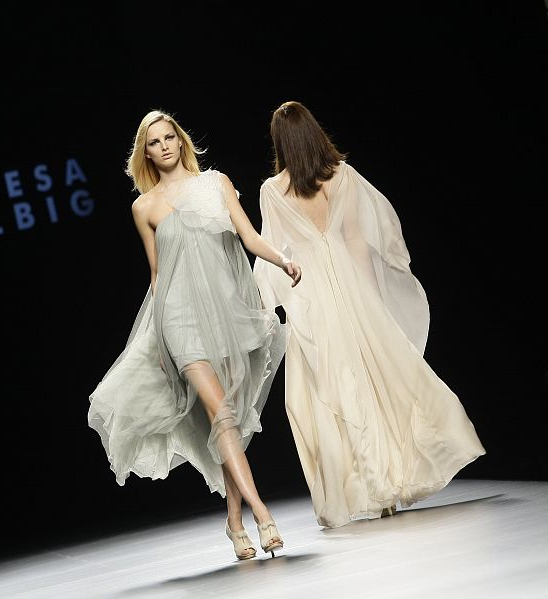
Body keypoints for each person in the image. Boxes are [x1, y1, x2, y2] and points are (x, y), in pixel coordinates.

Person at [252, 100, 486, 528]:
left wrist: (273, 304)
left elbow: (276, 253)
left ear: (280, 143)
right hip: (351, 286)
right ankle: (388, 484)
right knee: (377, 379)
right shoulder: (340, 175)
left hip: (313, 296)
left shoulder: (273, 190)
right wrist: (371, 298)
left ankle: (370, 485)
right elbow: (358, 240)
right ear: (313, 131)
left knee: (335, 389)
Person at [88, 109, 302, 560]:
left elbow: (248, 237)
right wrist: (160, 342)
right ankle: (264, 515)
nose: (164, 146)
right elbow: (156, 276)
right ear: (144, 152)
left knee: (228, 420)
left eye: (169, 137)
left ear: (181, 141)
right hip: (179, 322)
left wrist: (282, 260)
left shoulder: (215, 184)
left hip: (224, 319)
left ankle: (233, 522)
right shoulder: (143, 207)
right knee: (218, 410)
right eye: (154, 142)